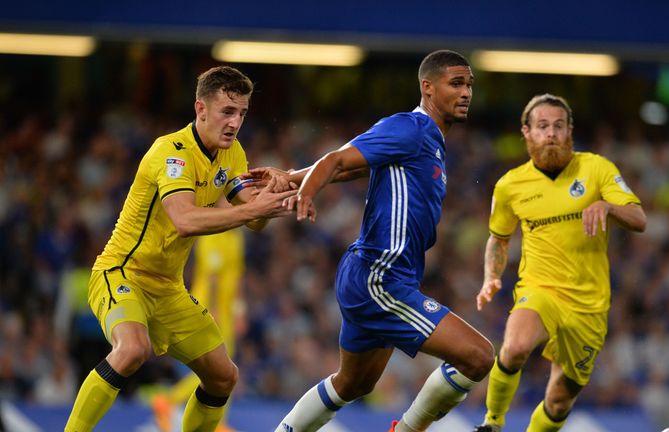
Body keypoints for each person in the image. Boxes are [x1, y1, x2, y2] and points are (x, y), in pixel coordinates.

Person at [250, 50, 494, 432]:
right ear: (427, 87)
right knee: (479, 357)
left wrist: (293, 177)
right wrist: (307, 193)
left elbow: (351, 167)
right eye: (457, 83)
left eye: (469, 85)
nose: (466, 93)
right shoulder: (411, 128)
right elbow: (334, 160)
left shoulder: (429, 141)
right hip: (380, 278)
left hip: (377, 276)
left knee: (354, 383)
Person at [64, 66, 297, 432]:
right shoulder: (170, 152)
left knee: (223, 377)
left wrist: (275, 195)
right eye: (227, 111)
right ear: (200, 109)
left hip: (168, 288)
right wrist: (255, 208)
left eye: (242, 113)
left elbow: (253, 218)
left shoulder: (232, 153)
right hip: (122, 273)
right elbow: (185, 220)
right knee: (132, 349)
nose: (235, 122)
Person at [473, 94, 647, 432]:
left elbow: (639, 218)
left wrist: (609, 208)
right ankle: (492, 422)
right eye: (542, 127)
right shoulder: (510, 186)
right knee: (516, 346)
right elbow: (499, 237)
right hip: (542, 289)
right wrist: (490, 276)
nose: (550, 134)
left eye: (558, 126)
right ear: (527, 132)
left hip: (588, 304)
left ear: (570, 131)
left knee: (558, 400)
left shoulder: (596, 168)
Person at [152, 228, 247, 432]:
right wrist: (212, 308)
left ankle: (218, 421)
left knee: (227, 368)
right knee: (218, 369)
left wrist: (239, 311)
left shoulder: (237, 236)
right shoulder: (213, 233)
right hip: (209, 307)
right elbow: (212, 276)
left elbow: (237, 275)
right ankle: (169, 400)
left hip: (227, 310)